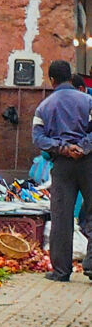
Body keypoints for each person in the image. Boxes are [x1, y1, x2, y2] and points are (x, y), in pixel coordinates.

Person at [32, 59, 92, 281]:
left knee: (61, 217)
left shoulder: (44, 106)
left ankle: (60, 271)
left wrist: (64, 148)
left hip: (62, 166)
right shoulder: (88, 100)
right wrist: (83, 147)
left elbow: (38, 138)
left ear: (52, 80)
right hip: (88, 163)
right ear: (70, 77)